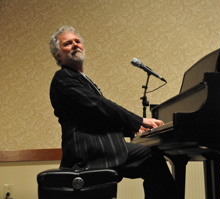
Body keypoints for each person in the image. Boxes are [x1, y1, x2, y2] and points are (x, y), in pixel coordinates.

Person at [49, 26, 179, 199]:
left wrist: (131, 130)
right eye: (68, 43)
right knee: (151, 157)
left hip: (100, 148)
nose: (75, 45)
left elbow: (98, 117)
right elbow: (99, 106)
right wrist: (138, 121)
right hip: (88, 153)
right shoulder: (63, 78)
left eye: (77, 41)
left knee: (152, 157)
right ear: (58, 55)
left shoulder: (80, 79)